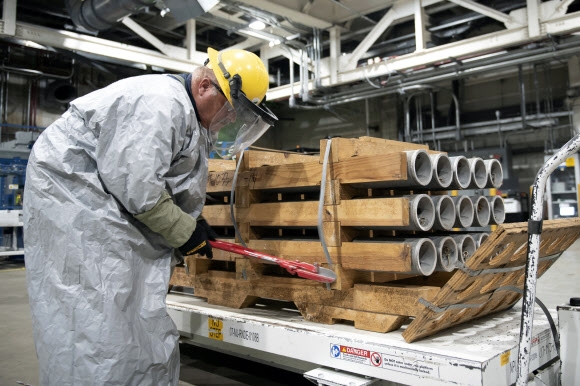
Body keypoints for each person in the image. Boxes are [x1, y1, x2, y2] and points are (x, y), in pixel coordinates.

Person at [23, 47, 277, 386]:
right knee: (96, 307)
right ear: (204, 87)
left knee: (130, 304)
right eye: (232, 109)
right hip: (76, 194)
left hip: (104, 196)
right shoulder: (159, 104)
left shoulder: (190, 118)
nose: (231, 120)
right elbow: (138, 189)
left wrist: (192, 224)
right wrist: (184, 231)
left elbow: (165, 181)